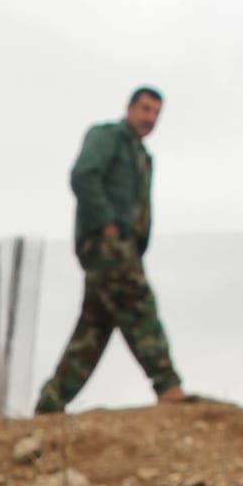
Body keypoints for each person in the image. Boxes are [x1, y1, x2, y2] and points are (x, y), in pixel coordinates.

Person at [34, 86, 185, 414]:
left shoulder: (142, 156)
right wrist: (107, 225)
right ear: (130, 108)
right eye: (145, 109)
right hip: (105, 243)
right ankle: (168, 384)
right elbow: (83, 175)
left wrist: (137, 242)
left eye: (156, 113)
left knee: (95, 327)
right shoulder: (107, 137)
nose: (150, 118)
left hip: (125, 245)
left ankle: (51, 402)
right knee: (138, 303)